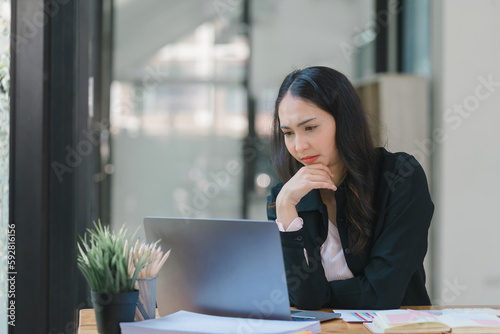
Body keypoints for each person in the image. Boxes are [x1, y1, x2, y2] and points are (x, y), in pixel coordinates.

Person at [266, 66, 434, 310]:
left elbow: (382, 295)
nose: (299, 146)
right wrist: (285, 209)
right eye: (288, 133)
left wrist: (317, 295)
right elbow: (300, 297)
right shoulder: (286, 197)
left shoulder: (399, 176)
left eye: (310, 128)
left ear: (344, 121)